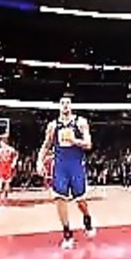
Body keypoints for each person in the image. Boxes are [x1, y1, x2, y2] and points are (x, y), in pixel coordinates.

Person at [36, 96, 96, 249]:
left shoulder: (80, 122)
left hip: (75, 165)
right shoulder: (52, 126)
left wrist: (74, 140)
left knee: (80, 200)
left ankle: (87, 217)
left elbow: (88, 144)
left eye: (67, 103)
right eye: (62, 103)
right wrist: (39, 161)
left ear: (71, 106)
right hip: (60, 166)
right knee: (59, 197)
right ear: (59, 106)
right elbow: (46, 145)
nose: (65, 105)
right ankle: (67, 233)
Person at [0, 137, 18, 204]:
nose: (0, 144)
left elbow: (16, 156)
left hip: (8, 167)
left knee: (7, 182)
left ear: (4, 143)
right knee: (0, 182)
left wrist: (14, 163)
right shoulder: (0, 150)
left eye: (1, 143)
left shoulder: (11, 150)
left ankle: (5, 197)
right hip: (2, 166)